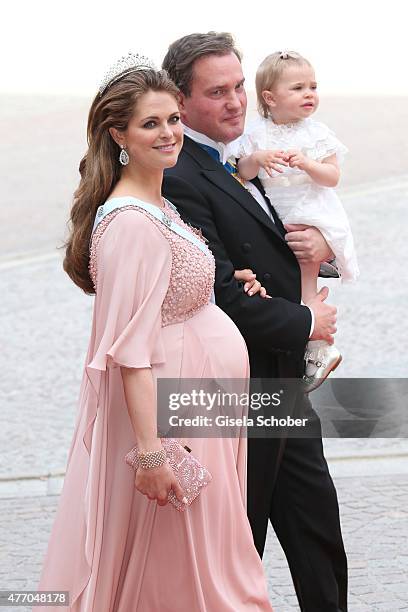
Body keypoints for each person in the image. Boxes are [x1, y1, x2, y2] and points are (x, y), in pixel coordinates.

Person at [35, 54, 273, 611]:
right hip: (173, 415)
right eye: (150, 123)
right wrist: (152, 454)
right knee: (191, 563)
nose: (168, 133)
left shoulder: (158, 203)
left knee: (209, 556)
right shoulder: (130, 223)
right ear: (118, 134)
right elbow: (129, 356)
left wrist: (212, 285)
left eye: (171, 119)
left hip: (201, 404)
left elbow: (167, 292)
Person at [162, 32, 348, 612]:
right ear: (180, 100)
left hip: (277, 383)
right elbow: (219, 295)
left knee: (317, 531)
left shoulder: (246, 146)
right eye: (217, 92)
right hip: (228, 390)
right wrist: (305, 320)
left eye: (240, 86)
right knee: (239, 542)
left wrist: (324, 249)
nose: (236, 102)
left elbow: (294, 219)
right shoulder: (179, 175)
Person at [236, 50, 359, 391]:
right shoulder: (256, 133)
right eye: (299, 88)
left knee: (304, 275)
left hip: (309, 209)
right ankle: (306, 341)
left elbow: (332, 176)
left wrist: (306, 164)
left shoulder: (316, 133)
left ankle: (318, 343)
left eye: (313, 87)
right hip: (277, 212)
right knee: (285, 283)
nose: (309, 94)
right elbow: (241, 172)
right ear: (270, 97)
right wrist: (257, 158)